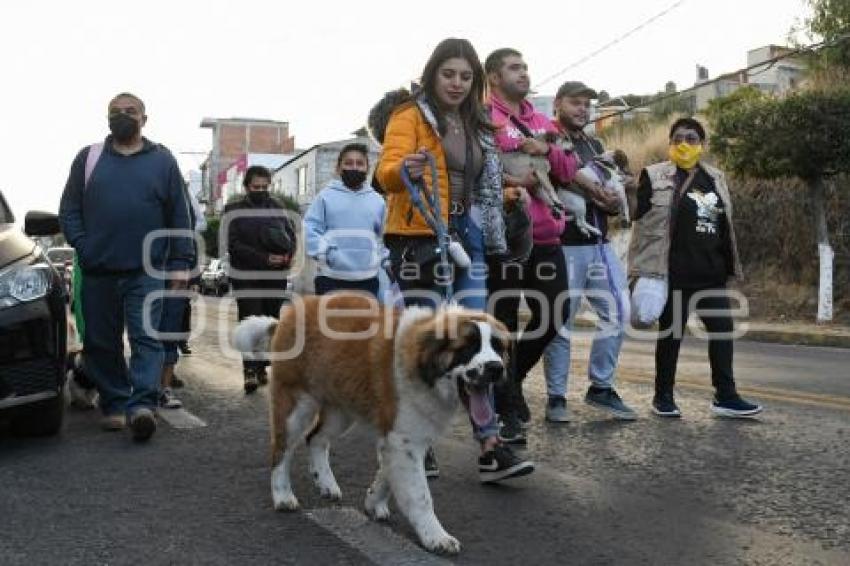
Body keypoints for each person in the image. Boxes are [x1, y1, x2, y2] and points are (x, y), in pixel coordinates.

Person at [375, 38, 533, 483]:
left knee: (477, 341)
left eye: (466, 76)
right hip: (420, 237)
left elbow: (479, 181)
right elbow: (385, 173)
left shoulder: (478, 122)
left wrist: (505, 200)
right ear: (432, 74)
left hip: (470, 237)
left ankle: (489, 444)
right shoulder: (409, 115)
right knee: (425, 343)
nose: (458, 83)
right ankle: (415, 440)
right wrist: (407, 167)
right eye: (449, 74)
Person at [59, 92, 194, 442]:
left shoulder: (163, 161)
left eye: (130, 111)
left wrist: (180, 263)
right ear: (107, 119)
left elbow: (179, 215)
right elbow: (70, 209)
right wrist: (84, 245)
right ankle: (116, 403)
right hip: (98, 269)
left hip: (147, 270)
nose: (123, 116)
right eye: (115, 112)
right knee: (101, 342)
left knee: (146, 338)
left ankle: (142, 407)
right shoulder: (88, 159)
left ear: (144, 119)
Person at [630, 117, 763, 418]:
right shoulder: (653, 176)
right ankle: (662, 396)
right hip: (673, 273)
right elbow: (636, 215)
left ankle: (726, 396)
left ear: (702, 145)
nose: (684, 144)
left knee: (722, 332)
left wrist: (728, 266)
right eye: (677, 138)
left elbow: (722, 224)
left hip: (710, 274)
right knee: (671, 335)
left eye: (691, 138)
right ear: (670, 144)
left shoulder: (715, 178)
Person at [484, 48, 579, 443]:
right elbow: (477, 172)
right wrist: (510, 184)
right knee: (502, 323)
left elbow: (570, 170)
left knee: (555, 313)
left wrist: (549, 150)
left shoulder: (540, 121)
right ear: (492, 76)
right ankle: (504, 406)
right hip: (505, 240)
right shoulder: (483, 119)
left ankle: (512, 377)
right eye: (513, 67)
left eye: (525, 67)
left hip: (547, 238)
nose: (523, 73)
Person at [541, 81, 637, 423]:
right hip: (562, 242)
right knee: (560, 321)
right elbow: (554, 175)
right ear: (558, 104)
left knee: (620, 310)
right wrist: (599, 192)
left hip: (599, 242)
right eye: (575, 103)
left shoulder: (594, 143)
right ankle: (556, 396)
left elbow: (612, 199)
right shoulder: (546, 136)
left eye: (587, 104)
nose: (582, 109)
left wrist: (619, 192)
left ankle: (601, 386)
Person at [225, 165, 296, 394]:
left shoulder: (278, 207)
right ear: (246, 186)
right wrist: (265, 258)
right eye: (257, 187)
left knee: (269, 322)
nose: (261, 190)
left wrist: (287, 256)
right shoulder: (233, 209)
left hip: (274, 277)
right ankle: (249, 370)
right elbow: (234, 246)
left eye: (265, 187)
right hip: (246, 276)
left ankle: (262, 365)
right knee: (249, 320)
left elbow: (290, 236)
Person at [304, 143, 386, 297]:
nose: (354, 168)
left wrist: (381, 261)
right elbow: (309, 231)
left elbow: (383, 239)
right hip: (330, 279)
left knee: (365, 322)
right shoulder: (324, 197)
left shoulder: (378, 201)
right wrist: (328, 255)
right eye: (348, 163)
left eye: (360, 163)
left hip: (367, 280)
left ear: (367, 168)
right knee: (329, 321)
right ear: (338, 168)